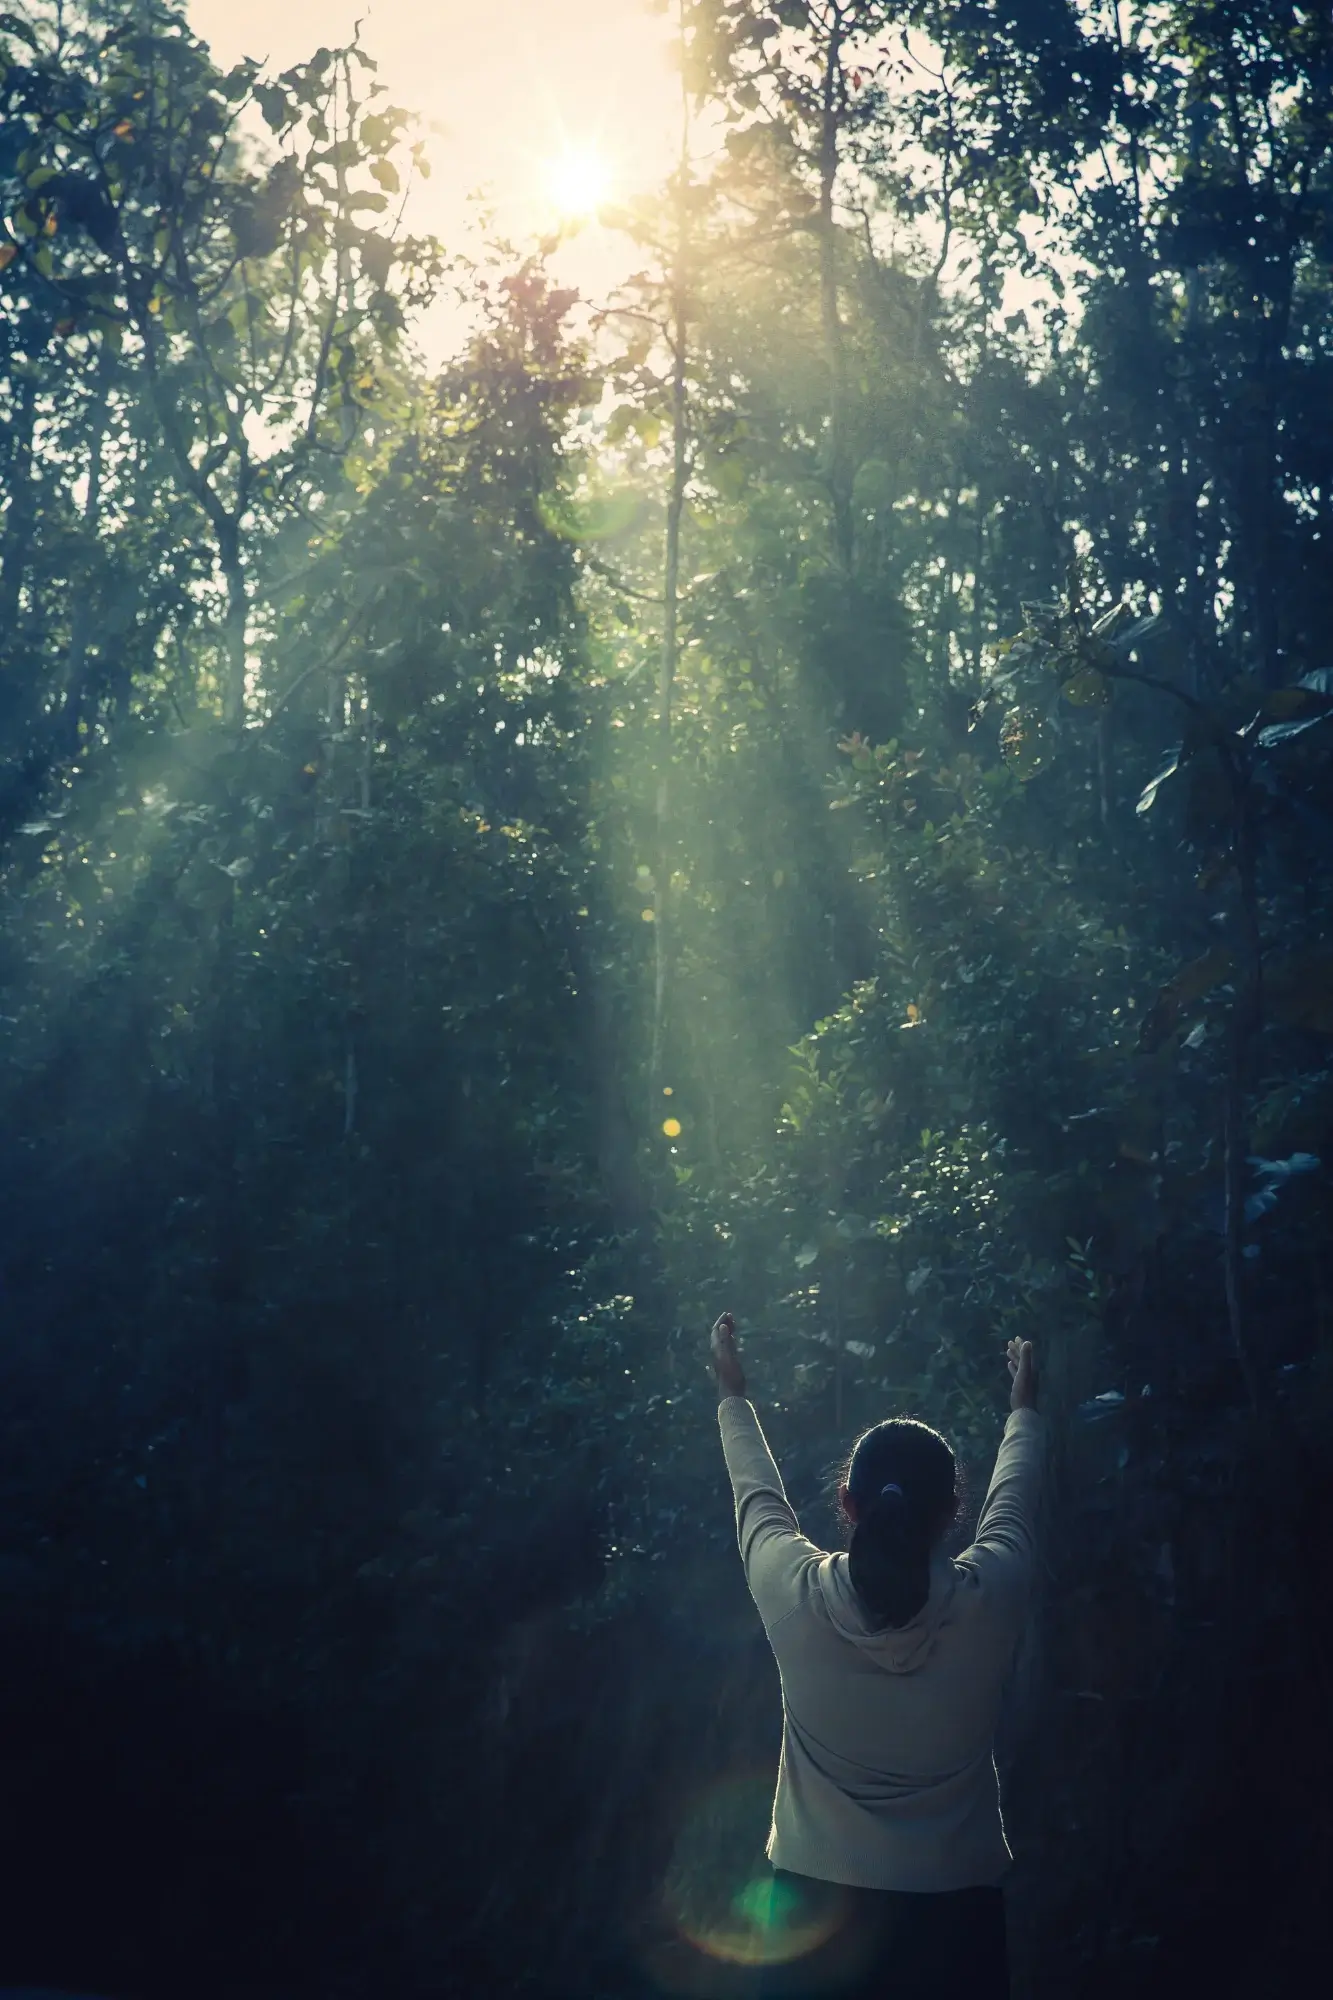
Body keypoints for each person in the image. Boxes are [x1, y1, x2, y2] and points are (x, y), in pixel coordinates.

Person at [708, 1313, 1044, 2000]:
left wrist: (732, 1392)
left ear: (846, 1504)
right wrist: (1023, 1409)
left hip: (810, 1915)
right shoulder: (990, 1597)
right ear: (951, 1510)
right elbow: (1016, 1500)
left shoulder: (793, 1593)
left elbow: (757, 1497)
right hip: (954, 1922)